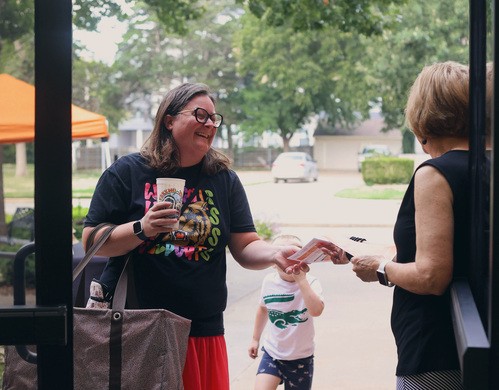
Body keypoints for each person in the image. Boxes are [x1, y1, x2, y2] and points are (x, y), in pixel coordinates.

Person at [82, 82, 304, 390]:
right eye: (200, 115)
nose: (210, 124)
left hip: (202, 329)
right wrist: (141, 228)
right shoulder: (128, 172)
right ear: (169, 120)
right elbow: (92, 241)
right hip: (139, 325)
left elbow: (246, 245)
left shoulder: (223, 180)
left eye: (214, 118)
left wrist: (275, 253)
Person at [325, 61, 491, 389]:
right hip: (479, 345)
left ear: (422, 115)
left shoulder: (435, 173)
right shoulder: (488, 165)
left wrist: (380, 269)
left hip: (436, 352)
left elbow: (432, 276)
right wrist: (379, 253)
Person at [248, 234, 324, 390]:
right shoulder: (269, 281)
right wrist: (255, 339)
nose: (291, 258)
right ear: (273, 263)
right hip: (273, 353)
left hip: (301, 358)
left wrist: (301, 280)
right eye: (284, 254)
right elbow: (263, 309)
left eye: (296, 254)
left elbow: (316, 311)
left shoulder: (311, 282)